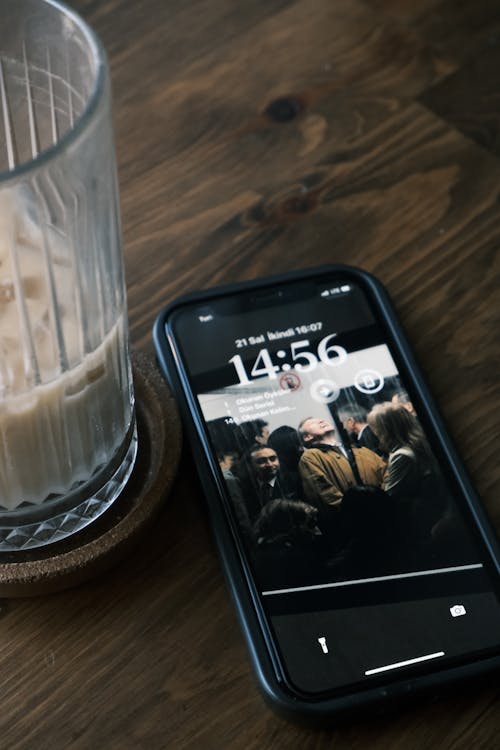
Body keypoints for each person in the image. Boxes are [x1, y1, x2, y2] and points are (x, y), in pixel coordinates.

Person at [367, 402, 448, 556]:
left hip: (419, 519)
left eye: (375, 428)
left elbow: (391, 496)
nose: (375, 433)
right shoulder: (421, 443)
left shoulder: (401, 455)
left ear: (386, 429)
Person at [297, 417, 386, 509]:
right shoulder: (310, 457)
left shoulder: (359, 449)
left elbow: (385, 473)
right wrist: (353, 511)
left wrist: (383, 500)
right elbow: (323, 492)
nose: (321, 421)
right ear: (307, 437)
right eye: (313, 423)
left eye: (322, 419)